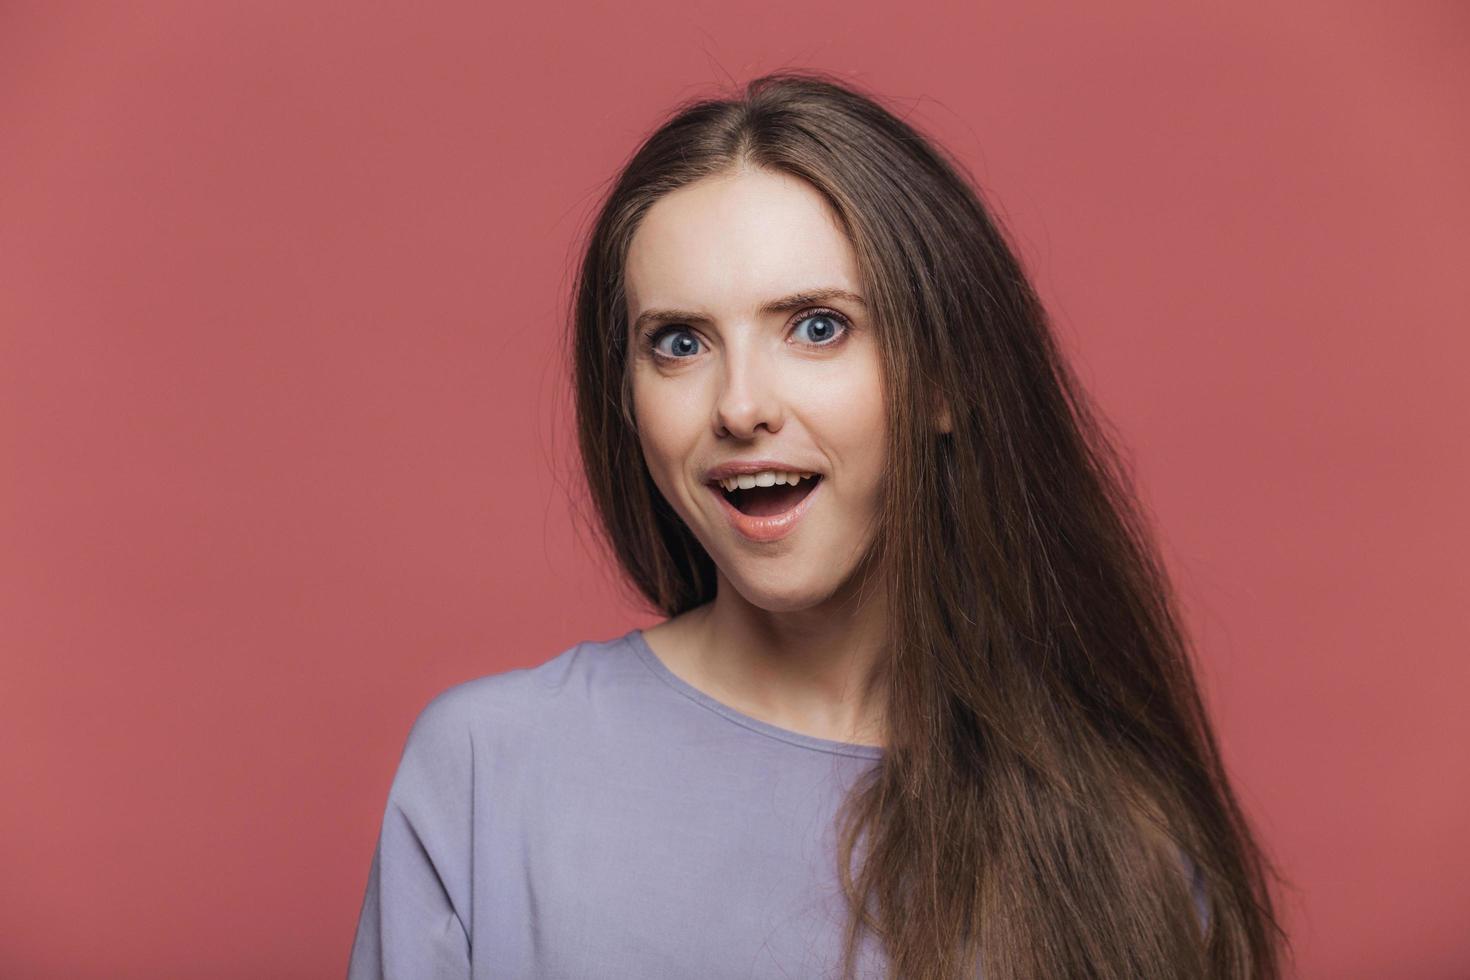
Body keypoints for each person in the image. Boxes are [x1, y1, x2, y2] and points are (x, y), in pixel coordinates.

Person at [347, 70, 1291, 979]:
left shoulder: (1124, 844)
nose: (742, 405)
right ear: (627, 400)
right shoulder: (485, 773)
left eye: (817, 327)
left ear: (946, 380)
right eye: (680, 343)